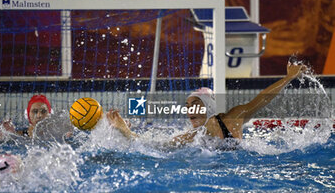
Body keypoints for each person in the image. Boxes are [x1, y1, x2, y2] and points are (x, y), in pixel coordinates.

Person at [108, 63, 307, 147]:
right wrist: (124, 131)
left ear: (209, 106)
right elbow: (157, 146)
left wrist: (289, 78)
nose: (189, 110)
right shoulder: (196, 136)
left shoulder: (230, 119)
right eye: (187, 106)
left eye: (195, 104)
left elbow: (262, 98)